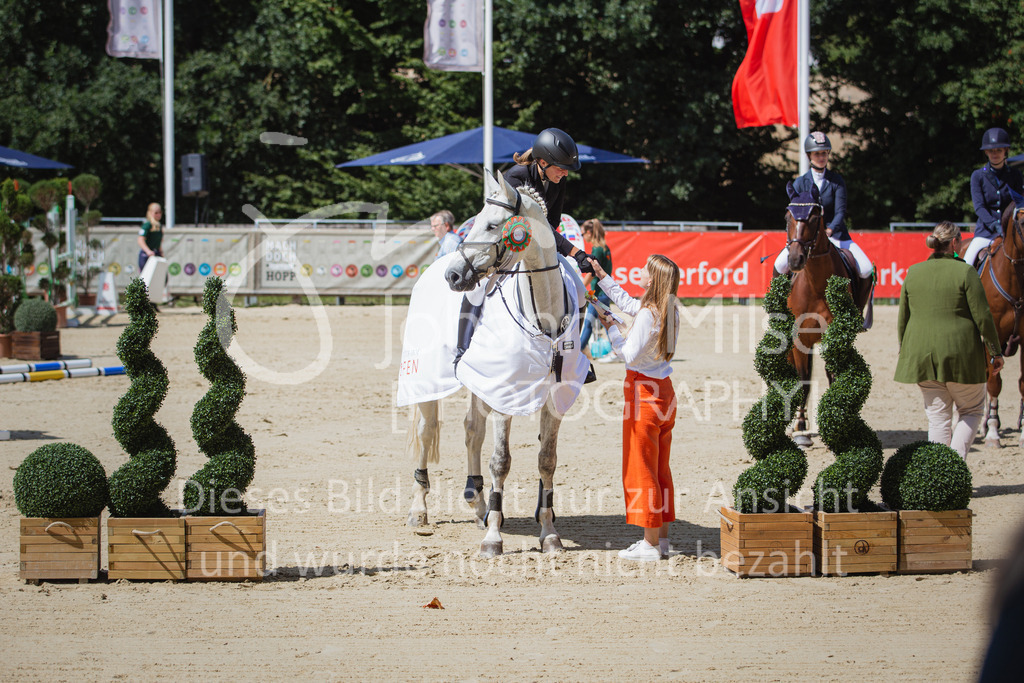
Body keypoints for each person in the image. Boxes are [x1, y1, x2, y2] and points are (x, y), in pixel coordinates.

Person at [590, 254, 680, 561]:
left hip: (644, 395)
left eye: (643, 270)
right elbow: (629, 302)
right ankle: (662, 540)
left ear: (652, 280)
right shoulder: (668, 310)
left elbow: (627, 355)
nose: (639, 272)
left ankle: (649, 544)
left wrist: (611, 327)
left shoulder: (647, 315)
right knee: (660, 468)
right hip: (664, 393)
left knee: (642, 470)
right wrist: (602, 276)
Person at [894, 221, 1004, 458]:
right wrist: (995, 352)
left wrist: (905, 351)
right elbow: (983, 318)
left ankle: (941, 476)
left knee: (938, 419)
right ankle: (955, 468)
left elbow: (903, 319)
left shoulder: (913, 272)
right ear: (955, 243)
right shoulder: (965, 271)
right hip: (962, 358)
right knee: (972, 411)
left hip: (923, 357)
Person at [773, 131, 873, 279]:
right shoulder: (800, 183)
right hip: (805, 238)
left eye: (824, 154)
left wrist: (830, 230)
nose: (821, 157)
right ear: (809, 156)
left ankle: (857, 302)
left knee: (865, 268)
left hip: (836, 235)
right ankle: (779, 300)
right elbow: (794, 215)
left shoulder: (836, 181)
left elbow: (840, 211)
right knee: (780, 265)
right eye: (817, 154)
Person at [503, 128, 594, 273]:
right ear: (543, 162)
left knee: (576, 288)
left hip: (539, 245)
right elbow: (533, 223)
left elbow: (552, 220)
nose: (565, 173)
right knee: (482, 289)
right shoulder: (516, 177)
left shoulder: (558, 179)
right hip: (507, 246)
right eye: (560, 168)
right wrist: (576, 252)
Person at [964, 127, 1024, 268]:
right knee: (966, 263)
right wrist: (995, 225)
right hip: (985, 233)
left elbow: (1019, 203)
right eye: (991, 151)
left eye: (998, 150)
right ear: (986, 152)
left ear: (1005, 151)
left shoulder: (1015, 175)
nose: (995, 154)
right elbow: (979, 207)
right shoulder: (978, 176)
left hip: (1011, 233)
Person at [579, 218, 613, 352]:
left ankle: (579, 351)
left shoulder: (597, 249)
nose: (583, 237)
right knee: (598, 323)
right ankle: (580, 350)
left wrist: (580, 287)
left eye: (583, 234)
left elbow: (592, 272)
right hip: (601, 293)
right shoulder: (604, 247)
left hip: (599, 293)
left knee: (592, 323)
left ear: (589, 233)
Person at [137, 203, 164, 272]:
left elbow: (159, 241)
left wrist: (161, 253)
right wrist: (148, 251)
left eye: (160, 212)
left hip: (156, 253)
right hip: (147, 255)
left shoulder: (159, 226)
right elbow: (140, 240)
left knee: (162, 276)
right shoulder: (147, 225)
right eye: (156, 213)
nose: (158, 214)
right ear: (150, 213)